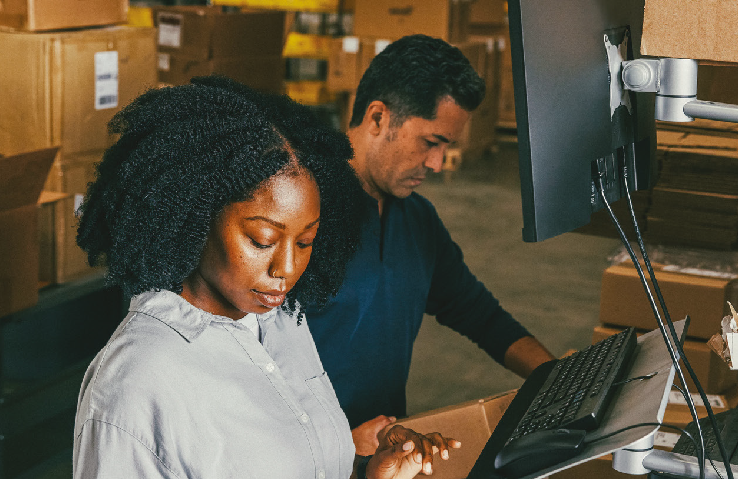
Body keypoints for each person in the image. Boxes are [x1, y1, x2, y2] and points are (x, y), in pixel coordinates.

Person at [72, 77, 459, 478]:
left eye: (306, 241)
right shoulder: (137, 384)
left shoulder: (279, 318)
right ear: (195, 216)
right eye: (262, 239)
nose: (286, 270)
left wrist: (367, 474)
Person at [306, 35, 557, 454]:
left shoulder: (417, 220)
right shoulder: (299, 215)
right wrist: (330, 447)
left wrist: (558, 378)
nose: (438, 164)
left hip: (381, 457)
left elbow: (478, 313)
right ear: (378, 118)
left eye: (447, 147)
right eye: (431, 142)